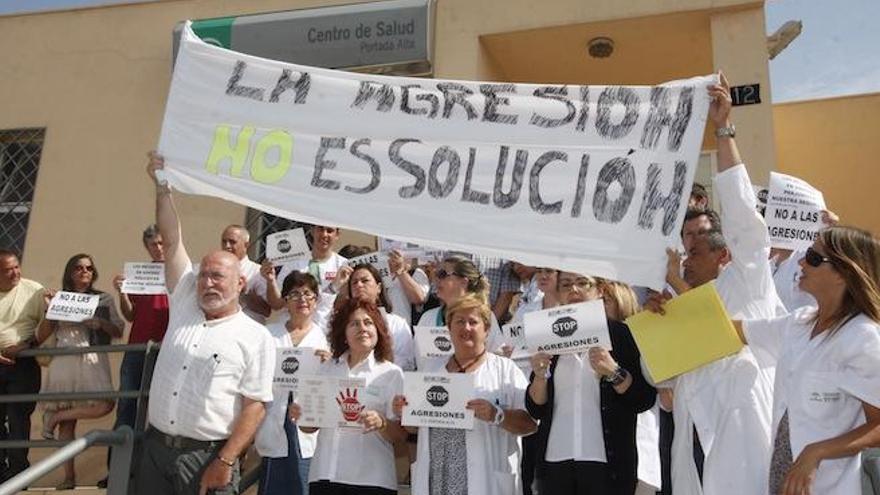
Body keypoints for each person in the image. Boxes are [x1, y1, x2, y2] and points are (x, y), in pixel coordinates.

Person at [647, 73, 783, 495]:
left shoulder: (748, 284)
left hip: (745, 440)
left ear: (724, 256)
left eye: (697, 250)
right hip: (694, 444)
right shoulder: (675, 303)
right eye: (683, 250)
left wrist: (722, 131)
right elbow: (662, 385)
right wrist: (658, 327)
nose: (686, 258)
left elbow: (743, 218)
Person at [139, 151, 274, 495]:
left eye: (217, 276)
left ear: (240, 283)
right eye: (203, 275)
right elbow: (171, 242)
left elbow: (255, 406)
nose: (208, 282)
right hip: (154, 453)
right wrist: (162, 187)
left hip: (207, 460)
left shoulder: (255, 336)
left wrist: (226, 461)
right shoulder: (184, 300)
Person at [732, 227, 880, 494]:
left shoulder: (863, 338)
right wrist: (672, 309)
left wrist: (818, 452)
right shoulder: (798, 323)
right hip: (782, 481)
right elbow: (734, 331)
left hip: (832, 487)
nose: (801, 262)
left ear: (843, 273)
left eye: (813, 257)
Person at [526, 272, 656, 494]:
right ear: (558, 293)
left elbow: (643, 399)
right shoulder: (548, 335)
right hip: (556, 461)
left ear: (599, 290)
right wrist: (539, 376)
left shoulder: (622, 334)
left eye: (582, 283)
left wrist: (614, 372)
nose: (574, 290)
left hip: (607, 464)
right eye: (566, 285)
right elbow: (536, 408)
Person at [394, 294, 537, 494]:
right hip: (436, 482)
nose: (466, 328)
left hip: (486, 483)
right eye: (459, 321)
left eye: (473, 322)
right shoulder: (430, 370)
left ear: (486, 329)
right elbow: (414, 428)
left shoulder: (506, 370)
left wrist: (497, 415)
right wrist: (404, 411)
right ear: (449, 328)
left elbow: (530, 424)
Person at [291, 298, 408, 495]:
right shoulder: (327, 369)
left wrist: (381, 423)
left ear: (378, 331)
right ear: (343, 334)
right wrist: (302, 413)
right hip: (325, 475)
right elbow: (309, 427)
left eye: (368, 322)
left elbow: (401, 435)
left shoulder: (392, 373)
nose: (362, 328)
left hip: (372, 480)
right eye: (354, 323)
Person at [37, 253, 124, 490]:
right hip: (64, 358)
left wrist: (99, 323)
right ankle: (69, 477)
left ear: (93, 272)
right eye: (78, 267)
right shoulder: (59, 298)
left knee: (105, 404)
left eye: (88, 267)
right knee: (68, 425)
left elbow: (117, 330)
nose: (84, 271)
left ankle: (54, 418)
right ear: (70, 272)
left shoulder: (103, 299)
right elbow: (41, 335)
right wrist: (49, 310)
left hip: (92, 356)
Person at [256, 271, 330, 495]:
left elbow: (335, 383)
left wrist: (329, 364)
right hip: (274, 417)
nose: (302, 299)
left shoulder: (326, 338)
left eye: (308, 294)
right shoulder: (269, 334)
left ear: (316, 301)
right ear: (285, 301)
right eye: (295, 294)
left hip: (307, 422)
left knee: (305, 483)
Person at [598, 279, 663, 495]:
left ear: (622, 302)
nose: (598, 306)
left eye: (605, 300)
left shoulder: (636, 338)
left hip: (640, 438)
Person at [0, 249, 45, 482]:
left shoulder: (34, 290)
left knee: (18, 418)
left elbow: (45, 329)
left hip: (23, 363)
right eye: (8, 269)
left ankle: (18, 474)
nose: (15, 272)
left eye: (16, 266)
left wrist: (27, 344)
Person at [416, 255, 504, 358]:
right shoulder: (427, 317)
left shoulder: (484, 317)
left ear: (463, 282)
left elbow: (497, 355)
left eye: (442, 274)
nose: (437, 279)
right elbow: (419, 360)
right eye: (437, 274)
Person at [266, 225, 349, 331]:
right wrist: (270, 281)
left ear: (337, 235)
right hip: (291, 330)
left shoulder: (344, 265)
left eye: (329, 231)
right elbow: (276, 304)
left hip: (327, 331)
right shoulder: (294, 262)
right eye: (320, 229)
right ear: (312, 231)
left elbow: (344, 304)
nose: (324, 234)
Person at [346, 263, 416, 371]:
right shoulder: (343, 322)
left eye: (365, 281)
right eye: (354, 282)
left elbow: (407, 362)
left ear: (378, 288)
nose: (359, 285)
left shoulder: (397, 323)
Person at [220, 224, 271, 323]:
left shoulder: (257, 272)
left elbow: (266, 310)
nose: (227, 246)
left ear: (246, 245)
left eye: (232, 242)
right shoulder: (216, 269)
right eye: (224, 241)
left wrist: (244, 295)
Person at [385, 249, 429, 327]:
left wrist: (400, 271)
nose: (393, 258)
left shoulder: (416, 273)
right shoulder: (376, 274)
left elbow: (418, 299)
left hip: (404, 329)